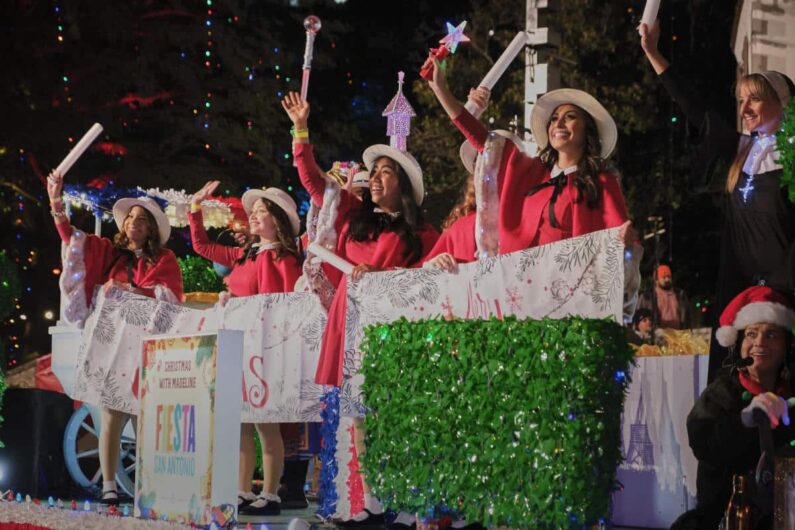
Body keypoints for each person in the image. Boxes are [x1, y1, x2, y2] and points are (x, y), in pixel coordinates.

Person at [281, 90, 439, 526]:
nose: (376, 178)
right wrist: (301, 131)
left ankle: (400, 501)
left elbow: (429, 281)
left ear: (403, 186)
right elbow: (314, 182)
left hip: (391, 333)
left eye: (387, 173)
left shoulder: (420, 232)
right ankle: (364, 501)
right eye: (374, 172)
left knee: (391, 414)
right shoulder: (353, 214)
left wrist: (387, 277)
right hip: (348, 325)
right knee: (355, 417)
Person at [639, 20, 795, 380]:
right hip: (738, 285)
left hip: (785, 289)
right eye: (741, 99)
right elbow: (695, 108)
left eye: (754, 97)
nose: (745, 106)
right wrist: (653, 52)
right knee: (732, 384)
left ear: (781, 102)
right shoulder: (743, 151)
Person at [46, 169, 183, 505]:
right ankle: (109, 485)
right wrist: (55, 201)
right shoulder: (109, 252)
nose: (133, 223)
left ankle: (146, 486)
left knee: (143, 415)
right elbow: (71, 238)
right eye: (130, 217)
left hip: (145, 346)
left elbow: (171, 298)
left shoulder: (164, 259)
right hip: (110, 345)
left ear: (151, 228)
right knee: (111, 414)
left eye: (141, 219)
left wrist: (133, 290)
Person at [426, 57, 630, 256]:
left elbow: (621, 241)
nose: (558, 125)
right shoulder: (531, 173)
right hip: (521, 285)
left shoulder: (602, 182)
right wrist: (440, 90)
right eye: (554, 119)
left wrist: (625, 243)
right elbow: (483, 139)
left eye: (570, 117)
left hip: (569, 286)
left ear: (588, 130)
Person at [189, 181, 302, 516]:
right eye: (252, 212)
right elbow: (202, 246)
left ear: (277, 220)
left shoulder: (285, 259)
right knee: (239, 420)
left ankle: (270, 493)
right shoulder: (243, 255)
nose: (252, 217)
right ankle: (240, 490)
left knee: (266, 423)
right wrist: (195, 208)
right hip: (237, 345)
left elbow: (288, 307)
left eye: (260, 212)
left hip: (266, 350)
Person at [671, 286, 795, 529]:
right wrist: (744, 421)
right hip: (726, 517)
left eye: (771, 335)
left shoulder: (790, 395)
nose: (759, 342)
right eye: (751, 334)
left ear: (786, 347)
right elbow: (703, 444)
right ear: (739, 343)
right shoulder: (722, 392)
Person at [638, 264, 692, 329]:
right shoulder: (647, 297)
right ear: (656, 280)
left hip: (678, 335)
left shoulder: (680, 294)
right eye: (664, 277)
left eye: (669, 277)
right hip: (657, 335)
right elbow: (638, 316)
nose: (667, 280)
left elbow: (688, 316)